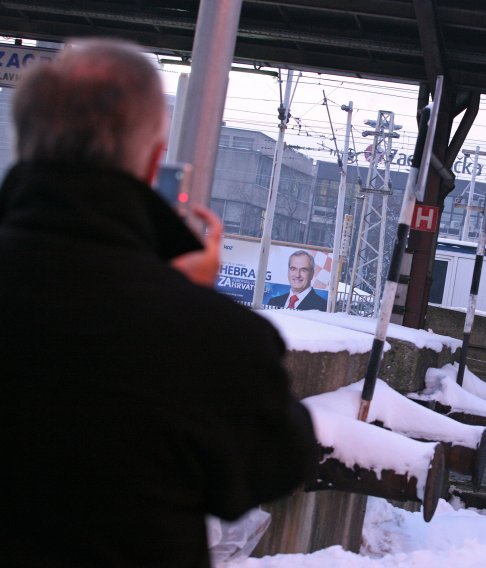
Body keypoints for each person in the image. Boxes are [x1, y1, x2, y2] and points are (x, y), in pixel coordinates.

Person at [0, 39, 318, 567]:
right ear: (152, 162)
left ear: (25, 140)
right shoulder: (210, 337)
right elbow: (279, 463)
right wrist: (185, 299)